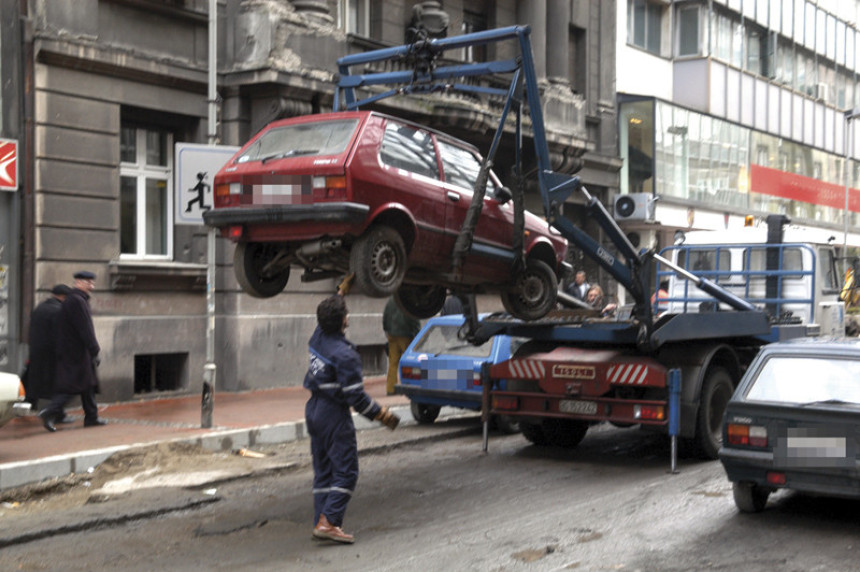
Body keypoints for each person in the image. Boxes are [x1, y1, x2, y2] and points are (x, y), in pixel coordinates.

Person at [304, 295, 400, 544]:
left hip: (313, 409)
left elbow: (328, 315)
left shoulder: (319, 337)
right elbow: (356, 398)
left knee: (323, 472)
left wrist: (342, 290)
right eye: (346, 312)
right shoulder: (346, 356)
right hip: (333, 414)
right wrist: (381, 414)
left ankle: (321, 520)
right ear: (343, 321)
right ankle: (329, 521)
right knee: (346, 472)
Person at [40, 271, 105, 432]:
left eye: (92, 283)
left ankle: (92, 417)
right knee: (73, 385)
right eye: (88, 282)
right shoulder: (77, 301)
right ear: (78, 282)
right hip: (76, 352)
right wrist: (94, 349)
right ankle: (50, 411)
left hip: (74, 350)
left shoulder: (75, 300)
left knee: (87, 385)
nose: (92, 286)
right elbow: (85, 328)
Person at [24, 284, 72, 414]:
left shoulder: (40, 308)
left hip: (35, 351)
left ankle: (29, 404)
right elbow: (59, 334)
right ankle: (56, 412)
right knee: (59, 385)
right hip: (51, 354)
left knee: (33, 380)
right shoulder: (59, 310)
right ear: (63, 297)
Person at [382, 296, 421, 395]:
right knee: (409, 362)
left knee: (393, 363)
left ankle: (391, 389)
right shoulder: (408, 299)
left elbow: (385, 315)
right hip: (406, 334)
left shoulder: (391, 299)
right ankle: (408, 386)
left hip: (392, 335)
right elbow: (413, 318)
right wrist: (418, 333)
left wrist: (386, 329)